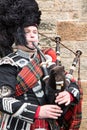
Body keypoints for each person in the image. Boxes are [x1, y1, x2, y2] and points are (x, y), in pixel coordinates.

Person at [0, 0, 80, 130]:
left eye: (35, 32)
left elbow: (71, 83)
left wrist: (68, 95)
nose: (32, 35)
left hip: (48, 125)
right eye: (27, 32)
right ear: (18, 35)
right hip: (18, 126)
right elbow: (3, 101)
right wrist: (38, 111)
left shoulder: (47, 59)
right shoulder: (8, 64)